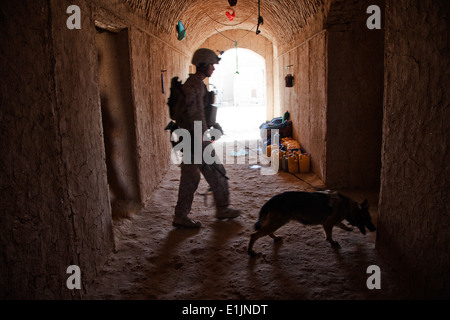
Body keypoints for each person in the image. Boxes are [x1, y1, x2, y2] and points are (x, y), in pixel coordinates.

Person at [172, 48, 242, 228]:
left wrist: (211, 125)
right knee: (217, 171)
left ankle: (180, 215)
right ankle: (223, 208)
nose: (214, 68)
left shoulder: (194, 83)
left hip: (188, 139)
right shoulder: (195, 85)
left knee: (189, 179)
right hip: (195, 140)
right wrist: (204, 139)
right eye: (212, 65)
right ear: (204, 65)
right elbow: (195, 115)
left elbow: (198, 114)